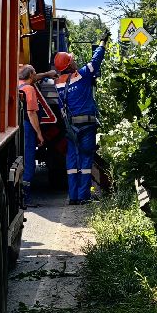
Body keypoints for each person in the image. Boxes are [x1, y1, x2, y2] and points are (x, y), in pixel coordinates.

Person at [53, 32, 110, 204]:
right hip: (86, 125)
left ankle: (73, 196)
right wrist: (102, 42)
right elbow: (96, 60)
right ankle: (83, 196)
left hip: (71, 128)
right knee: (86, 160)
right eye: (73, 60)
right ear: (70, 65)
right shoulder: (82, 75)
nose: (75, 60)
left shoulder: (58, 83)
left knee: (72, 162)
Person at [17, 65, 46, 208]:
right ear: (31, 75)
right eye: (35, 73)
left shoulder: (16, 85)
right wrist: (39, 134)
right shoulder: (29, 90)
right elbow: (31, 113)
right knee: (29, 163)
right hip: (27, 128)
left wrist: (46, 74)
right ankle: (26, 198)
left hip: (15, 128)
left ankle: (18, 196)